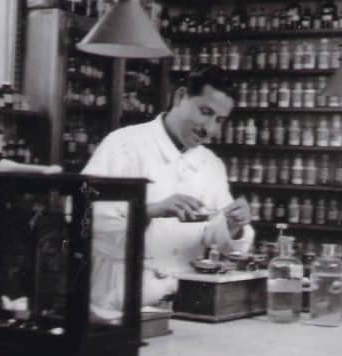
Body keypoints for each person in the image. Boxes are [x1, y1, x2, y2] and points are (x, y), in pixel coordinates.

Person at [83, 65, 254, 313]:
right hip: (119, 299)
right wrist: (150, 210)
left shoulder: (211, 164)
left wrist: (233, 226)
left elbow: (216, 238)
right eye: (205, 112)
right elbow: (84, 219)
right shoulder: (123, 145)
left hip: (184, 299)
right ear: (180, 97)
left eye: (219, 120)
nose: (210, 129)